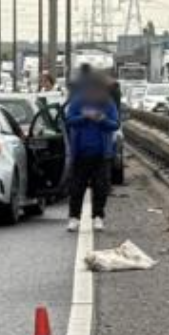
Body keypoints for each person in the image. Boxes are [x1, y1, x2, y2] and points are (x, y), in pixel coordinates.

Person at [64, 77, 120, 233]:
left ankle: (98, 217)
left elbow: (115, 124)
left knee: (101, 187)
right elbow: (69, 120)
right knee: (76, 187)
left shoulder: (107, 103)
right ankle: (74, 217)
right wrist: (85, 117)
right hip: (80, 152)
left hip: (102, 153)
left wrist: (101, 119)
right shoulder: (78, 101)